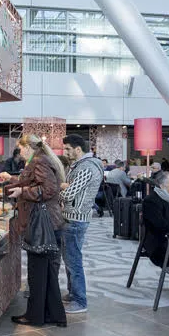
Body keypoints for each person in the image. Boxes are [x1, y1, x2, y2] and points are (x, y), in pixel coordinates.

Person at [0, 135, 66, 327]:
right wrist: (14, 180)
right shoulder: (42, 159)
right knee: (47, 274)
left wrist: (22, 192)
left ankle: (35, 316)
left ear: (28, 147)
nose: (20, 153)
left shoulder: (39, 161)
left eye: (21, 149)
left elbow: (49, 189)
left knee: (38, 273)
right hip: (49, 222)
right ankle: (53, 314)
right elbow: (34, 182)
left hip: (42, 223)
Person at [60, 134, 104, 314]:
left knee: (74, 261)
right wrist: (66, 186)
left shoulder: (87, 167)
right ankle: (73, 294)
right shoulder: (82, 165)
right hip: (73, 217)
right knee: (70, 259)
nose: (65, 152)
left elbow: (68, 194)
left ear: (78, 149)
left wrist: (61, 188)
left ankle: (80, 300)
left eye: (68, 149)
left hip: (76, 219)